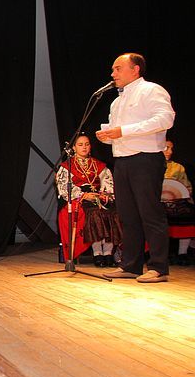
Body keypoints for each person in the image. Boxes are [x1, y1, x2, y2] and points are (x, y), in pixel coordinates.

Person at [97, 53, 176, 283]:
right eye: (113, 69)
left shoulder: (151, 90)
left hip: (146, 159)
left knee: (150, 213)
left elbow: (165, 119)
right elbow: (119, 132)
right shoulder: (117, 101)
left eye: (118, 68)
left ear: (135, 69)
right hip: (122, 160)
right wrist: (108, 136)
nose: (113, 73)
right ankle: (131, 265)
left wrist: (124, 131)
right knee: (127, 215)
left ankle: (159, 267)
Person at [55, 134, 122, 267]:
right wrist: (83, 195)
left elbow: (108, 182)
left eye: (87, 144)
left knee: (112, 212)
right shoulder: (67, 166)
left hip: (98, 197)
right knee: (95, 213)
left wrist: (104, 194)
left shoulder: (98, 165)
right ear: (74, 148)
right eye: (80, 145)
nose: (84, 147)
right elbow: (64, 187)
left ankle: (108, 253)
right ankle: (97, 253)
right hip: (80, 199)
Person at [163, 140, 194, 265]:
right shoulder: (149, 167)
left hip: (176, 202)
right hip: (155, 202)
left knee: (187, 214)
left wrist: (181, 195)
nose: (170, 152)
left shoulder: (178, 167)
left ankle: (182, 253)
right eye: (166, 148)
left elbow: (187, 187)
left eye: (171, 148)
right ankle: (157, 254)